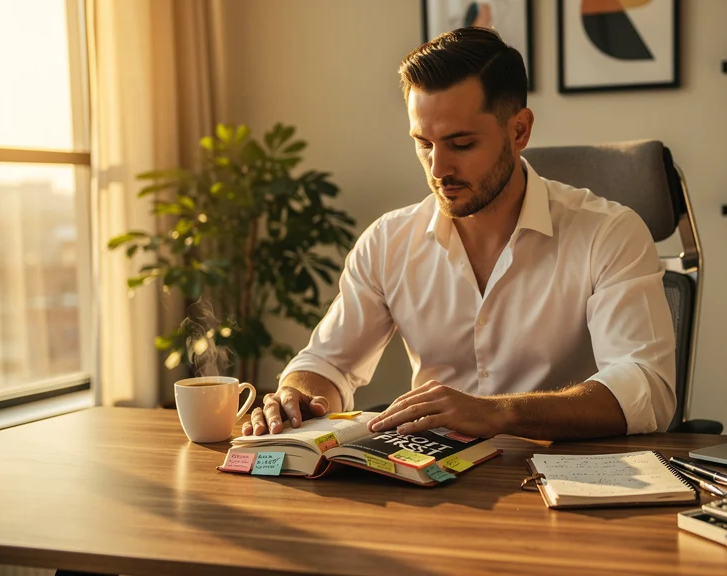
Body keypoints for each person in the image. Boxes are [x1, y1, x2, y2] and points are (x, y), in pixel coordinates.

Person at [241, 27, 676, 441]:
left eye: (461, 144)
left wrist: (499, 413)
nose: (438, 169)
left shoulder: (609, 233)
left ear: (519, 130)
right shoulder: (388, 242)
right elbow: (328, 363)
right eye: (423, 143)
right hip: (432, 477)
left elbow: (646, 387)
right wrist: (297, 395)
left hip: (563, 476)